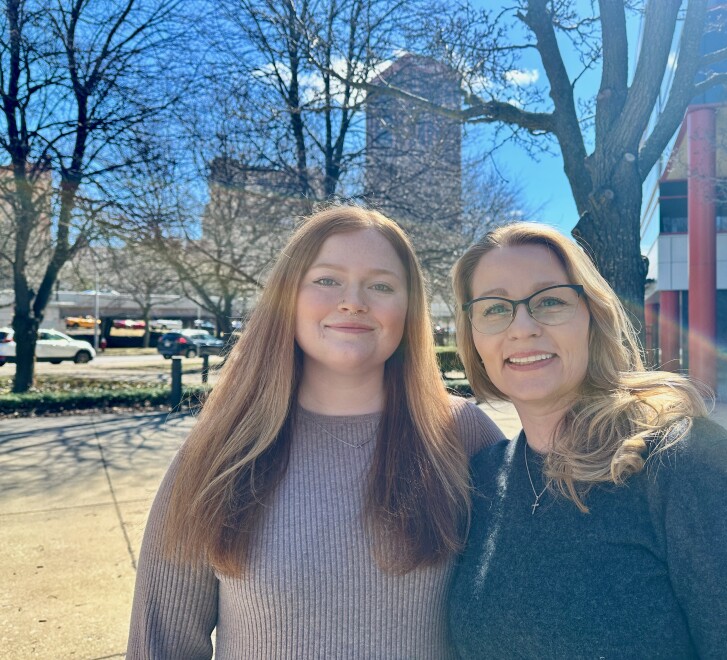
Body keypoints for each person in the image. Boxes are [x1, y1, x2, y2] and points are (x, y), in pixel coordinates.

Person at [127, 206, 504, 658]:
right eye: (327, 280)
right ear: (288, 296)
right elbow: (161, 643)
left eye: (381, 285)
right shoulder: (220, 448)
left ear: (409, 310)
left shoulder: (463, 435)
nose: (353, 301)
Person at [447, 223, 727, 659]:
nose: (522, 327)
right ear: (473, 335)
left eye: (550, 301)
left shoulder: (687, 462)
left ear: (592, 317)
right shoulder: (482, 477)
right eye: (495, 309)